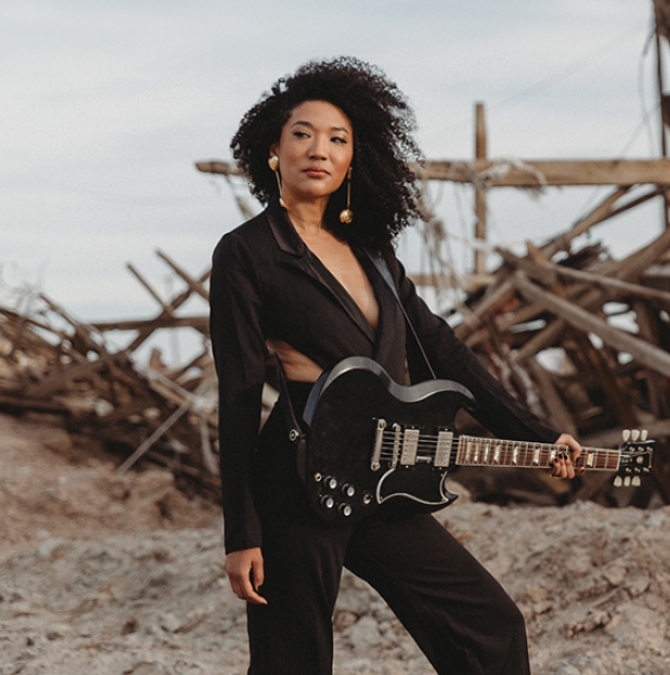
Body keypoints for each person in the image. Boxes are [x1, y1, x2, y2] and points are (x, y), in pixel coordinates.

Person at [209, 57, 583, 675]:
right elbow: (240, 392)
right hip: (297, 478)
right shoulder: (247, 253)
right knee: (293, 662)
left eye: (338, 139)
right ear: (273, 149)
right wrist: (241, 533)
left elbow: (443, 349)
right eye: (302, 134)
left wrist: (536, 434)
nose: (319, 150)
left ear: (354, 158)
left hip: (386, 472)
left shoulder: (373, 250)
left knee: (490, 626)